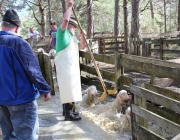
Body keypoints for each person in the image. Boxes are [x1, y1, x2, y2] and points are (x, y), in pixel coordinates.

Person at [0, 9, 51, 140]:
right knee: (27, 136)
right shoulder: (18, 43)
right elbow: (32, 69)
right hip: (21, 99)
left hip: (2, 100)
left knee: (8, 135)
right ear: (17, 28)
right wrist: (45, 88)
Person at [54, 0, 86, 121]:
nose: (75, 30)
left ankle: (66, 112)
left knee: (68, 88)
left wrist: (83, 36)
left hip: (70, 67)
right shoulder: (62, 33)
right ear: (70, 26)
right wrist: (70, 7)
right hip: (64, 66)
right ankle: (69, 114)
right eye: (75, 27)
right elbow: (66, 20)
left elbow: (82, 46)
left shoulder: (72, 37)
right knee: (68, 88)